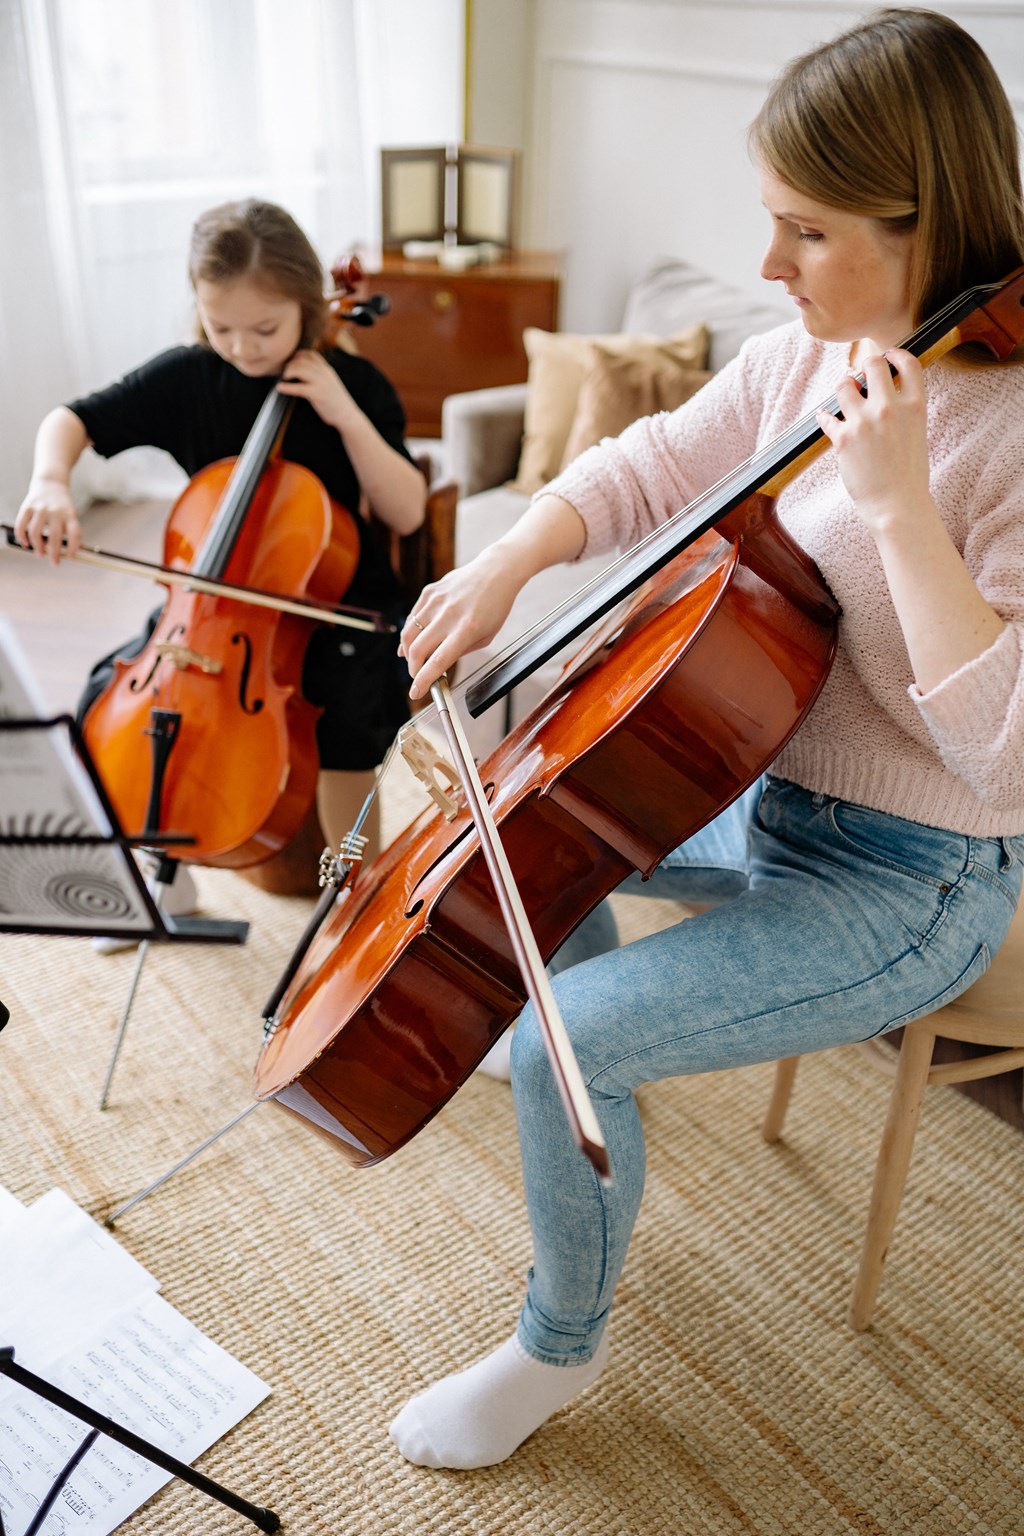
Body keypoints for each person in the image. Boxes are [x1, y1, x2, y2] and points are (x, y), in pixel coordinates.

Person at [388, 7, 1024, 1470]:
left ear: (926, 220)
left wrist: (897, 508)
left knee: (562, 1054)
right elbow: (649, 458)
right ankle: (585, 1106)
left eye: (804, 231)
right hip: (765, 786)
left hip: (912, 878)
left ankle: (557, 1347)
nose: (767, 267)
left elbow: (1006, 763)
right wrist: (502, 568)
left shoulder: (1003, 427)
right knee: (528, 846)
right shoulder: (822, 352)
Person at [14, 198, 425, 883]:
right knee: (110, 700)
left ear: (306, 305)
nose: (242, 347)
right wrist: (50, 481)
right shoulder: (189, 374)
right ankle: (162, 879)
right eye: (220, 325)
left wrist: (346, 417)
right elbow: (71, 419)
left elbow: (407, 510)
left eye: (264, 327)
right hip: (212, 612)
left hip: (341, 604)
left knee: (349, 717)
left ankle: (359, 886)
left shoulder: (353, 382)